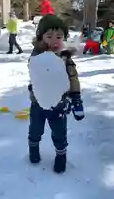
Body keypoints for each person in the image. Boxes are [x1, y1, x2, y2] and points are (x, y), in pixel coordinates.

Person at [28, 14, 84, 173]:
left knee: (59, 132)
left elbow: (73, 78)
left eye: (59, 36)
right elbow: (36, 76)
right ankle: (33, 149)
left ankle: (61, 155)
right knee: (35, 129)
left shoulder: (65, 58)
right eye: (49, 36)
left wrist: (76, 98)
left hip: (59, 105)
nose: (54, 40)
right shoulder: (36, 55)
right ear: (41, 37)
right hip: (37, 103)